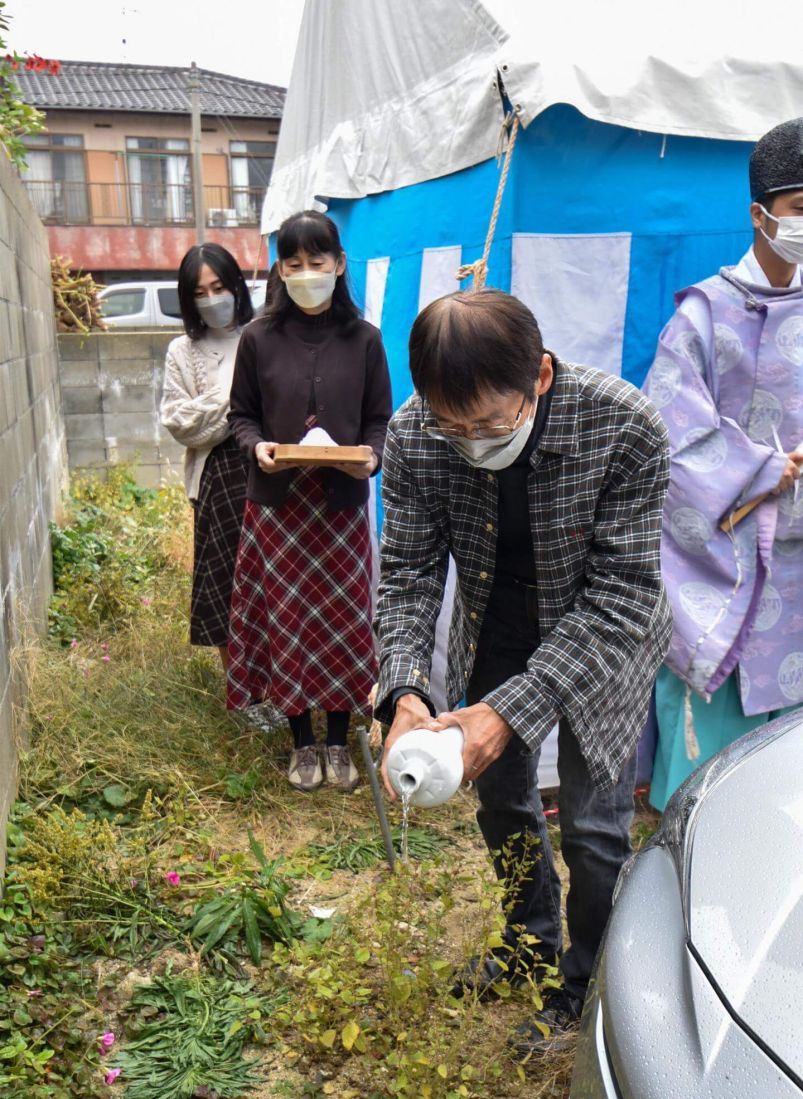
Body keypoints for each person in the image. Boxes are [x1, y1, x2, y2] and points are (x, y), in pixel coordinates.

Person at [375, 288, 671, 1052]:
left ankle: (591, 987)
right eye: (453, 425)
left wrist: (508, 710)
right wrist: (404, 689)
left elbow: (622, 593)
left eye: (490, 424)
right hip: (496, 625)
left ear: (538, 376)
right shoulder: (414, 438)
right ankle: (526, 942)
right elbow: (407, 573)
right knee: (501, 802)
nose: (470, 441)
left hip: (603, 639)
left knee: (593, 823)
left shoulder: (622, 423)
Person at [644, 117, 803, 812]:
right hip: (733, 563)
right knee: (718, 788)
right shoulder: (703, 317)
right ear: (759, 214)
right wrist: (765, 470)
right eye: (801, 209)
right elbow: (669, 442)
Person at [227, 211, 392, 793]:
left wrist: (370, 455)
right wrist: (259, 448)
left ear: (339, 264)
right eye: (292, 264)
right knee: (288, 619)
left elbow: (379, 421)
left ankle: (340, 741)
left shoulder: (366, 340)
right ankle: (301, 744)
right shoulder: (258, 338)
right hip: (277, 508)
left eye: (316, 262)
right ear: (280, 270)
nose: (305, 273)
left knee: (345, 621)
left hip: (341, 505)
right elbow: (240, 416)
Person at [160, 243, 254, 668]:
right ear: (188, 299)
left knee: (273, 585)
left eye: (219, 286)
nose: (213, 299)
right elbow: (180, 422)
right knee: (226, 587)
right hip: (218, 479)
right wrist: (240, 398)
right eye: (200, 293)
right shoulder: (183, 351)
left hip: (273, 469)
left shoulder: (264, 333)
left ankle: (280, 686)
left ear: (237, 284)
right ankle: (242, 689)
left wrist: (224, 408)